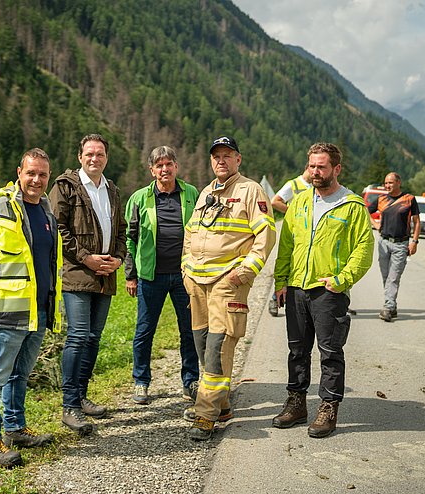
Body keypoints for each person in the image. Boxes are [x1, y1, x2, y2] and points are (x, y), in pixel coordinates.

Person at [0, 148, 62, 467]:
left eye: (43, 174)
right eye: (31, 172)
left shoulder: (47, 213)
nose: (36, 179)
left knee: (20, 373)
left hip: (39, 309)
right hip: (7, 310)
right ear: (19, 172)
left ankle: (15, 429)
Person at [273, 142, 374, 439]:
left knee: (330, 352)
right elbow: (287, 244)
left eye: (322, 167)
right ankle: (296, 403)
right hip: (296, 288)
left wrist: (342, 279)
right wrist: (281, 281)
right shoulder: (301, 202)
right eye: (312, 166)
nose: (315, 172)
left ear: (336, 169)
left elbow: (364, 249)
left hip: (329, 291)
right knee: (297, 350)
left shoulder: (352, 205)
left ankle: (328, 407)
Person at [181, 135, 276, 441]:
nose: (220, 160)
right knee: (201, 344)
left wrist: (244, 272)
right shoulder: (207, 191)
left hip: (227, 282)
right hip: (197, 283)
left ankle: (205, 415)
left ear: (238, 159)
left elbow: (266, 235)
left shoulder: (251, 190)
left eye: (227, 155)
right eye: (216, 156)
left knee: (217, 349)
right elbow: (190, 231)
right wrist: (185, 268)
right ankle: (221, 405)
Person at [49, 133, 127, 435]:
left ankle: (81, 397)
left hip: (106, 274)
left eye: (100, 154)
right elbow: (59, 229)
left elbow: (120, 229)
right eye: (89, 154)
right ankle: (69, 406)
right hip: (77, 273)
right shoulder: (65, 187)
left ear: (106, 158)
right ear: (80, 156)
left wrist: (118, 258)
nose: (95, 158)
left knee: (94, 338)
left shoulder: (112, 189)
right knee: (78, 336)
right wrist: (87, 258)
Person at [124, 146, 200, 406]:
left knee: (190, 329)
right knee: (145, 330)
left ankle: (190, 380)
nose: (164, 169)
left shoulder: (191, 194)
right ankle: (141, 381)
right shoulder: (138, 198)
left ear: (176, 166)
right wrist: (130, 276)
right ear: (152, 170)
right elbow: (130, 239)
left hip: (184, 276)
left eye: (169, 164)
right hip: (150, 276)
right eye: (159, 165)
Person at [366, 172, 420, 322]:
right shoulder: (381, 199)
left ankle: (388, 307)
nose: (387, 186)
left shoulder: (409, 199)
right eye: (386, 183)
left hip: (401, 244)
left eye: (390, 182)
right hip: (383, 242)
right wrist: (374, 223)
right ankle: (392, 305)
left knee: (393, 277)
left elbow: (417, 222)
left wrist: (414, 242)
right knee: (386, 276)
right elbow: (365, 210)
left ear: (398, 182)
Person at [267, 165, 312, 317]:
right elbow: (275, 201)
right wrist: (293, 212)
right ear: (307, 168)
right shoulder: (293, 185)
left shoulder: (315, 187)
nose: (315, 172)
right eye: (312, 167)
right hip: (294, 232)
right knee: (288, 266)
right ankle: (275, 298)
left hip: (309, 233)